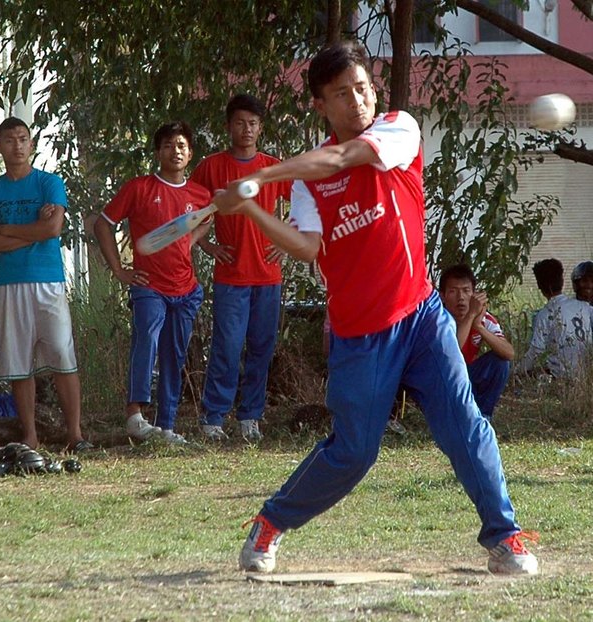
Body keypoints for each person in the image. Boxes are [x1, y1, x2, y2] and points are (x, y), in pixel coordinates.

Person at [212, 42, 538, 575]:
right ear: (320, 104)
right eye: (342, 94)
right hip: (359, 335)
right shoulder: (309, 181)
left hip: (421, 317)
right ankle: (270, 522)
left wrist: (261, 177)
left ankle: (505, 536)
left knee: (466, 425)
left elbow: (344, 157)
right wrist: (249, 207)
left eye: (362, 88)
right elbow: (306, 247)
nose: (357, 101)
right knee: (354, 452)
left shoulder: (397, 129)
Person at [93, 121, 212, 445]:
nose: (175, 151)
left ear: (190, 153)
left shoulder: (199, 194)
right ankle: (135, 416)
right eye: (168, 146)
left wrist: (189, 241)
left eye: (181, 146)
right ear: (158, 152)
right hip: (149, 285)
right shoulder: (139, 188)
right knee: (146, 338)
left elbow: (207, 219)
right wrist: (119, 270)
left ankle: (166, 426)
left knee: (175, 354)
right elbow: (102, 224)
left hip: (186, 289)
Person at [0, 117, 91, 451]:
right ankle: (30, 435)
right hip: (8, 284)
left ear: (32, 144)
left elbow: (52, 230)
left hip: (48, 281)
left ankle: (75, 434)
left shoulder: (49, 183)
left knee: (62, 355)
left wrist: (8, 229)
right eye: (10, 140)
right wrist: (32, 232)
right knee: (18, 363)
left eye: (23, 139)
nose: (18, 146)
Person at [190, 94, 291, 443]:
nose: (246, 129)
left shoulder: (272, 168)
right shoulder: (211, 167)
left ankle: (251, 417)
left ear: (260, 128)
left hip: (268, 275)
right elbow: (191, 209)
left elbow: (308, 203)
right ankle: (213, 417)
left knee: (261, 347)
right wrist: (206, 245)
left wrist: (287, 240)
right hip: (231, 275)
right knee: (228, 347)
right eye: (239, 123)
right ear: (228, 127)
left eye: (252, 123)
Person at [438, 264, 514, 419]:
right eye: (453, 291)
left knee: (500, 362)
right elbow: (451, 355)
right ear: (443, 296)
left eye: (466, 291)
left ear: (474, 294)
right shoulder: (437, 320)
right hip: (441, 380)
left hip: (467, 375)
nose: (460, 297)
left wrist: (479, 326)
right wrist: (470, 316)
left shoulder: (484, 319)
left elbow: (509, 353)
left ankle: (482, 416)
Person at [519, 258, 593, 378]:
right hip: (587, 373)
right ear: (562, 281)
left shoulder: (544, 315)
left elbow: (535, 352)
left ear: (539, 286)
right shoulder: (584, 307)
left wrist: (516, 370)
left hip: (562, 376)